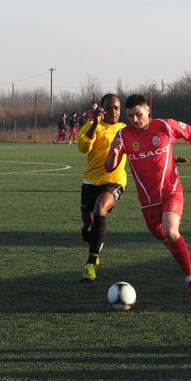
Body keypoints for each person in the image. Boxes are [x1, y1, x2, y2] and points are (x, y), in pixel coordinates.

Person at [105, 94, 191, 298]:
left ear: (148, 110)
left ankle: (190, 278)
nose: (135, 120)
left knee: (172, 230)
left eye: (138, 114)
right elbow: (110, 167)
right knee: (169, 240)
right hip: (147, 202)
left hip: (171, 190)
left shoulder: (165, 126)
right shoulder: (123, 136)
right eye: (130, 116)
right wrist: (113, 152)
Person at [77, 94, 127, 281]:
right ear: (102, 109)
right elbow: (83, 147)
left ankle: (91, 262)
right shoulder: (91, 127)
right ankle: (92, 236)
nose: (114, 111)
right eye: (110, 107)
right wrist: (95, 124)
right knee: (88, 226)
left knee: (100, 210)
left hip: (114, 181)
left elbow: (143, 149)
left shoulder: (125, 130)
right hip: (90, 182)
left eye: (117, 108)